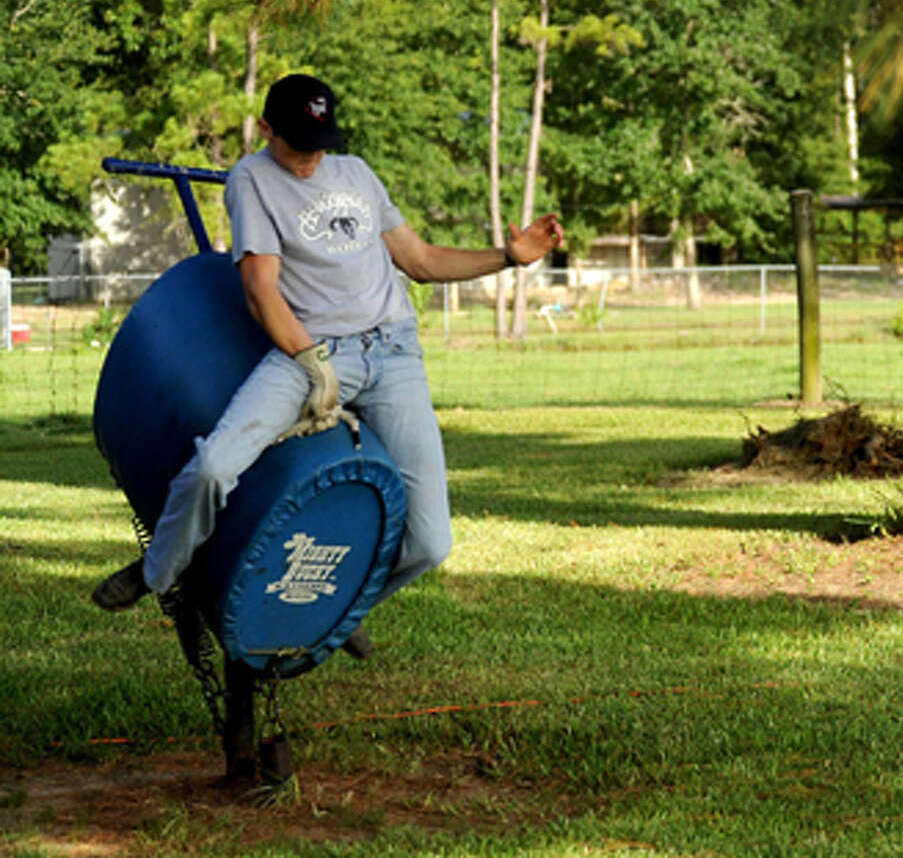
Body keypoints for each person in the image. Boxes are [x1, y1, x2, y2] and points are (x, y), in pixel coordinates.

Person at [91, 73, 564, 657]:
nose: (312, 158)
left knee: (430, 542)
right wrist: (313, 364)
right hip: (309, 351)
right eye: (298, 144)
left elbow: (420, 260)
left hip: (392, 352)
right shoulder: (252, 181)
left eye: (321, 143)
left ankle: (339, 608)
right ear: (267, 128)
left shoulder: (356, 173)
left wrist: (508, 258)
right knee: (213, 464)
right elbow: (261, 289)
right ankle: (159, 573)